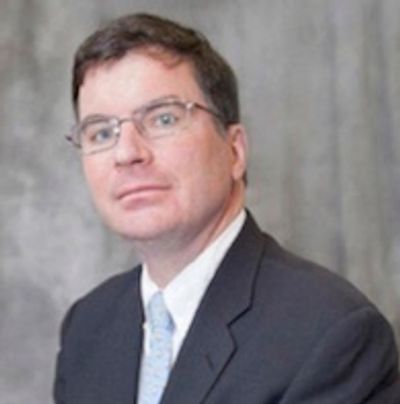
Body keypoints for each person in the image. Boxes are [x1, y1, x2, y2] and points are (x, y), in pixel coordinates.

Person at [54, 13, 400, 404]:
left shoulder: (331, 334)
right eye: (101, 132)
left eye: (163, 118)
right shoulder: (87, 327)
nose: (128, 153)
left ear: (234, 151)